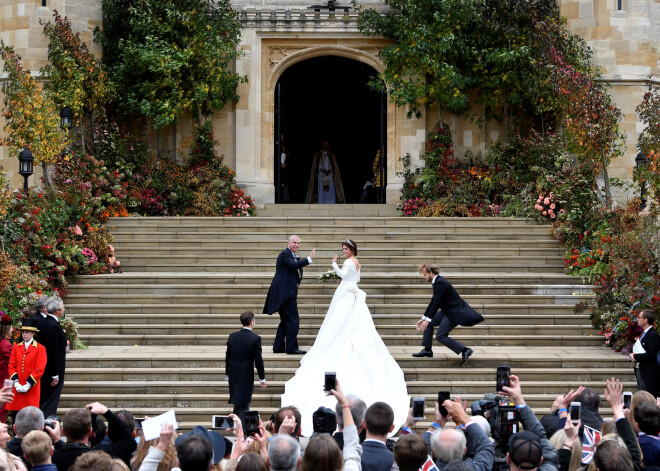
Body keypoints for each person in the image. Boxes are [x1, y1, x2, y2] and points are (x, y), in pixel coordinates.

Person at [280, 239, 409, 436]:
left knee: (340, 325)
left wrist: (333, 265)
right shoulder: (357, 262)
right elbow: (355, 280)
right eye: (342, 249)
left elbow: (343, 275)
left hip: (346, 295)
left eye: (346, 249)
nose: (343, 251)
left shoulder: (349, 262)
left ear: (352, 250)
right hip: (351, 294)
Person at [412, 262, 484, 366]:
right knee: (430, 323)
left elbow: (436, 303)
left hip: (454, 313)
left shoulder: (441, 283)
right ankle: (427, 350)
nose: (424, 277)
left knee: (440, 335)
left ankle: (465, 350)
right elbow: (433, 301)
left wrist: (427, 320)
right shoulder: (437, 282)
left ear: (430, 273)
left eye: (425, 274)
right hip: (448, 311)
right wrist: (424, 318)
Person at [263, 235, 316, 355]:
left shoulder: (293, 255)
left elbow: (296, 271)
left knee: (286, 321)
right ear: (289, 243)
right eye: (294, 243)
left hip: (287, 292)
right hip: (285, 294)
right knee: (293, 321)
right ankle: (291, 347)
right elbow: (293, 265)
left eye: (298, 243)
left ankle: (278, 346)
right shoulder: (285, 254)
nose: (296, 245)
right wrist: (309, 259)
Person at [52, 402, 136, 471]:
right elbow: (129, 442)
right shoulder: (99, 454)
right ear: (90, 431)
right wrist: (106, 412)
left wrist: (57, 440)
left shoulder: (52, 458)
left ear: (63, 431)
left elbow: (67, 453)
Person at [225, 311, 266, 424]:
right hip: (246, 375)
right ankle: (242, 432)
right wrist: (262, 378)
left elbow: (228, 356)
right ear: (252, 322)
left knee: (238, 403)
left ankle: (235, 427)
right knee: (244, 404)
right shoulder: (255, 339)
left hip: (233, 374)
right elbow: (258, 360)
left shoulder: (232, 336)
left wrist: (227, 374)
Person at [6, 319, 48, 416]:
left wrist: (28, 384)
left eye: (27, 332)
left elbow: (39, 369)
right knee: (15, 415)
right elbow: (11, 365)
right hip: (17, 387)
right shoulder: (16, 347)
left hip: (32, 388)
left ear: (33, 333)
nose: (24, 334)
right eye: (23, 332)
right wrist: (16, 383)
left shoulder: (40, 348)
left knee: (31, 415)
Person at [39, 297, 68, 418]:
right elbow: (53, 352)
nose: (64, 308)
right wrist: (55, 374)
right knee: (50, 399)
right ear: (57, 310)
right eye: (62, 306)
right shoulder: (53, 326)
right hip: (53, 370)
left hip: (47, 368)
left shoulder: (45, 322)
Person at [628, 309, 660, 397]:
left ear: (645, 320)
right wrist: (632, 355)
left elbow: (650, 354)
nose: (637, 319)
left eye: (639, 317)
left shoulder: (653, 335)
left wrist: (635, 356)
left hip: (648, 371)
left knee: (646, 395)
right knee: (641, 392)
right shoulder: (644, 333)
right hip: (640, 368)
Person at [0, 313, 13, 423]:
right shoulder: (5, 344)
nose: (13, 330)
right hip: (4, 379)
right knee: (3, 407)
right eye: (11, 327)